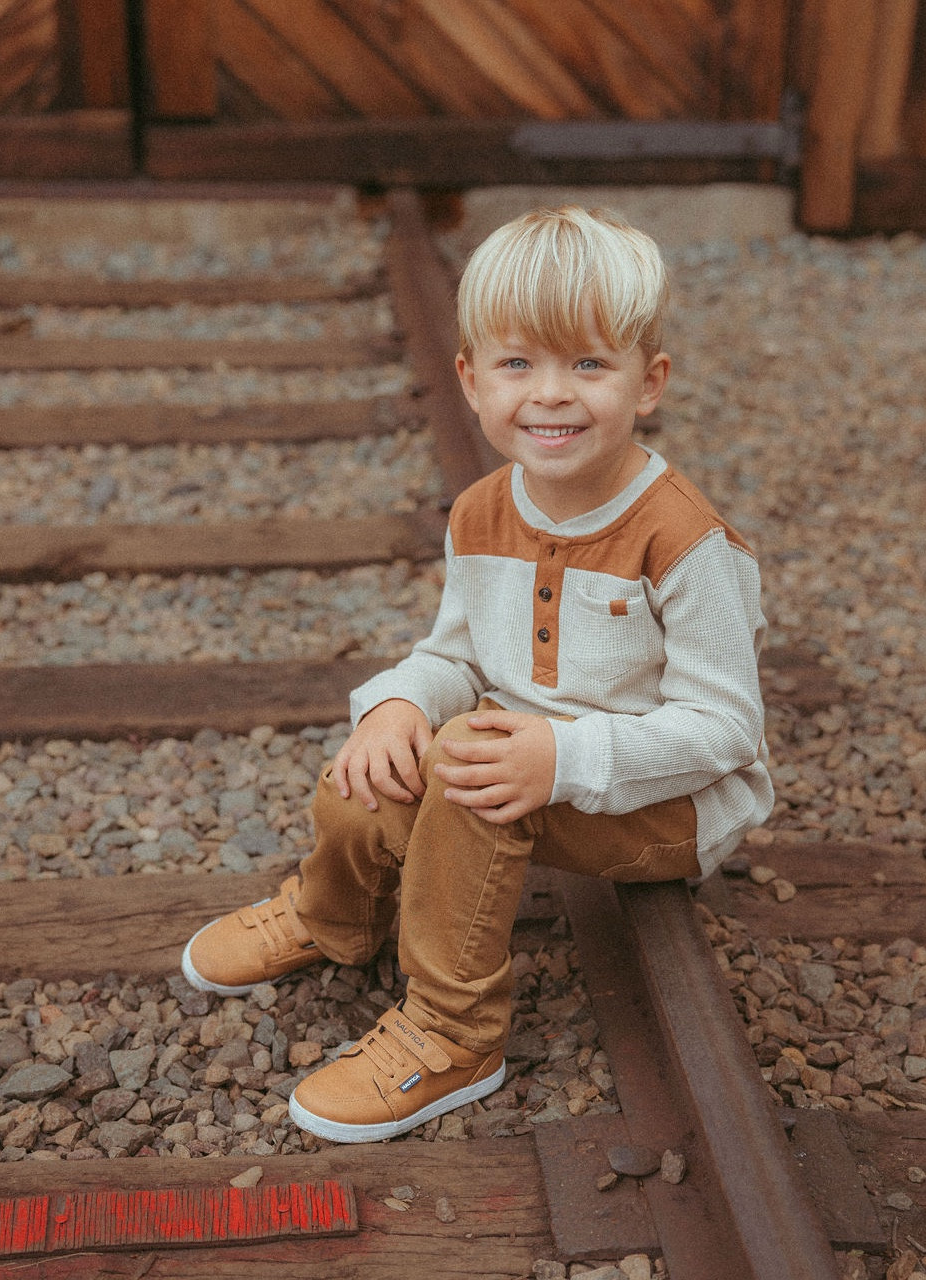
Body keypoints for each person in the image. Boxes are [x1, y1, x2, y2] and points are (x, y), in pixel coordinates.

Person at [181, 205, 773, 1144]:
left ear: (647, 382)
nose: (551, 395)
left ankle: (454, 1035)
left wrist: (563, 757)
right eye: (517, 364)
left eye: (588, 364)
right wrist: (398, 705)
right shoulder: (482, 510)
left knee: (462, 773)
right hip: (520, 761)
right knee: (369, 775)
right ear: (469, 380)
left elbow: (727, 731)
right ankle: (330, 915)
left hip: (665, 801)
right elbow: (456, 652)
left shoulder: (684, 542)